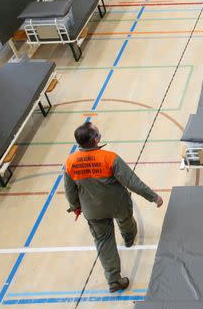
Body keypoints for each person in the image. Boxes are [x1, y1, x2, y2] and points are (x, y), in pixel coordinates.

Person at [63, 122, 164, 293]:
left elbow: (69, 191)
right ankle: (129, 237)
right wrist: (153, 197)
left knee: (103, 243)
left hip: (93, 211)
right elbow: (132, 182)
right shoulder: (109, 158)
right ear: (95, 139)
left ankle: (114, 280)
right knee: (126, 220)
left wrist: (75, 207)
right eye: (97, 132)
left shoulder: (70, 162)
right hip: (118, 204)